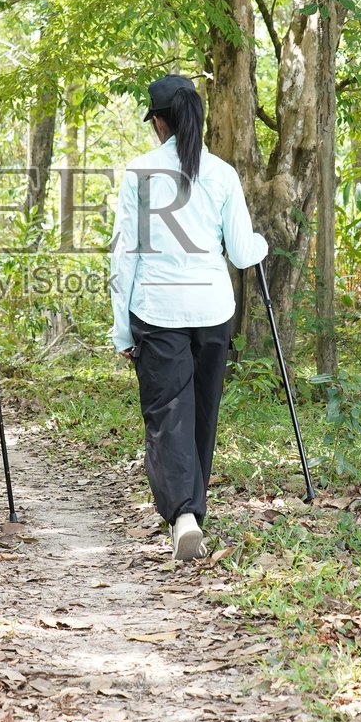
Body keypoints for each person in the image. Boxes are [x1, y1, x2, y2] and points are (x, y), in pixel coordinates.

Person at [109, 74, 268, 561]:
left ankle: (182, 515)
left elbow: (124, 256)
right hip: (213, 310)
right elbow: (244, 254)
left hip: (157, 311)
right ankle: (193, 511)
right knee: (201, 409)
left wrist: (121, 328)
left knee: (166, 413)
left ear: (159, 121)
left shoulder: (139, 172)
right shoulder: (222, 173)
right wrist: (261, 242)